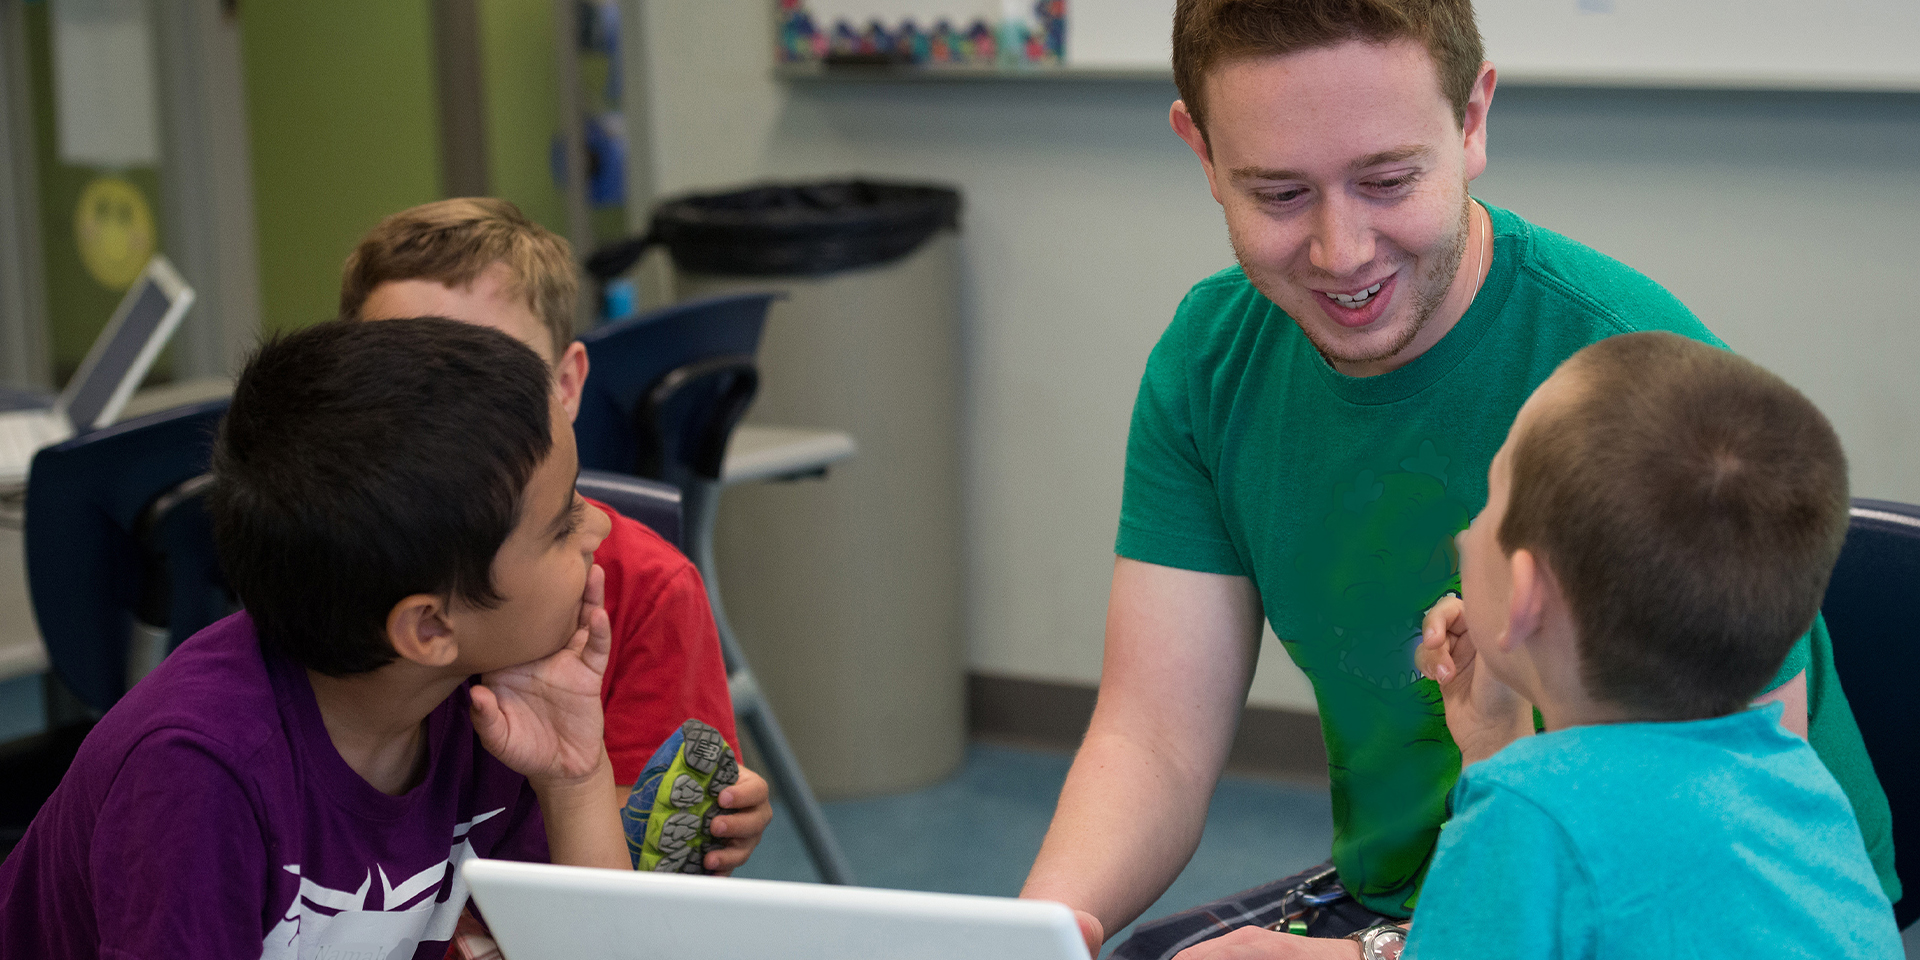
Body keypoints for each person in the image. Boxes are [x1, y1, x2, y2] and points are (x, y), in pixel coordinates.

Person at [1018, 1, 1896, 957]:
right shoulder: (1212, 361)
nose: (1340, 251)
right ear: (1201, 151)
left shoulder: (1642, 394)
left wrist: (1370, 957)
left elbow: (1708, 851)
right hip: (1459, 892)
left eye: (1388, 180)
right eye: (1278, 195)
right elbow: (1154, 737)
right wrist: (1029, 938)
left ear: (1473, 120)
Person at [0, 318, 632, 958]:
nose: (600, 527)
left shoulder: (492, 699)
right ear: (430, 627)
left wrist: (575, 779)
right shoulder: (198, 771)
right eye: (561, 525)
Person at [1404, 331, 1902, 959]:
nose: (1468, 534)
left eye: (1491, 499)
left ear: (1527, 594)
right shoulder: (1801, 785)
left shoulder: (1522, 816)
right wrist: (1491, 739)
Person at [338, 198, 770, 873]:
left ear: (566, 386)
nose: (442, 424)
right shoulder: (322, 567)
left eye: (489, 382)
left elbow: (637, 890)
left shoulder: (644, 591)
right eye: (398, 380)